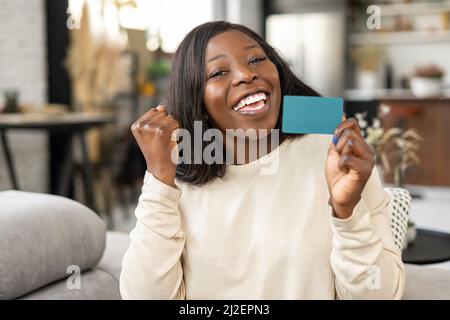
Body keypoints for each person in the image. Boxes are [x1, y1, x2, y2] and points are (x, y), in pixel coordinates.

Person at [119, 21, 405, 299]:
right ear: (197, 100)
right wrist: (158, 180)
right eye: (218, 72)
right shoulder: (174, 180)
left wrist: (347, 211)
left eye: (256, 59)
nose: (245, 74)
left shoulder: (335, 158)